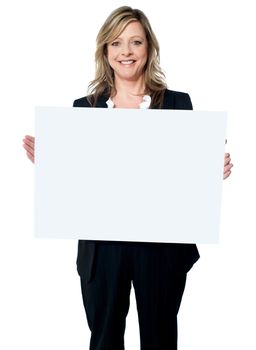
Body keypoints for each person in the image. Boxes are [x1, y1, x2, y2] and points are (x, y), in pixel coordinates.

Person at [23, 6, 233, 350]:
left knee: (160, 339)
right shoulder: (84, 109)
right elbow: (79, 182)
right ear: (105, 51)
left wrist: (209, 172)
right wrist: (54, 165)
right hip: (102, 248)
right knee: (104, 340)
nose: (126, 52)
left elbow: (184, 178)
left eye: (135, 42)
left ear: (148, 48)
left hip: (162, 244)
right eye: (117, 43)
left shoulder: (178, 104)